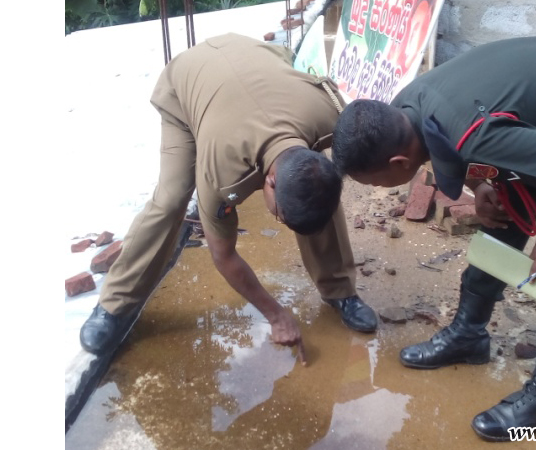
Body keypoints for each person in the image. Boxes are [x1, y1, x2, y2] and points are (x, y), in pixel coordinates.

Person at [332, 36, 536, 441]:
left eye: (375, 183)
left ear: (398, 162)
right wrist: (481, 183)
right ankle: (468, 335)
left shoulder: (469, 131)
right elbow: (460, 141)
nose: (379, 189)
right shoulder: (404, 109)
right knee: (501, 220)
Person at [80, 33, 378, 361]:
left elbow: (328, 174)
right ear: (269, 182)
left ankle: (340, 292)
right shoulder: (225, 178)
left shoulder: (330, 116)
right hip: (187, 87)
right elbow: (224, 255)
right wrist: (276, 315)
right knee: (170, 199)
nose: (280, 222)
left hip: (257, 64)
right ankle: (113, 305)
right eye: (280, 216)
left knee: (316, 187)